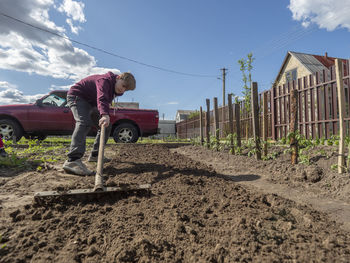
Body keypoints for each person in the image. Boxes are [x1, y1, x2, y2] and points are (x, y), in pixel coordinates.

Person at [62, 71, 136, 176]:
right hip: (78, 97)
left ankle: (95, 155)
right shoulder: (104, 81)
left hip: (91, 103)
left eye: (126, 89)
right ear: (119, 77)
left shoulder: (115, 89)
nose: (123, 90)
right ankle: (73, 160)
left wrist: (104, 115)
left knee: (106, 126)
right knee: (84, 122)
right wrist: (104, 114)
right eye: (123, 85)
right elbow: (102, 98)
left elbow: (105, 101)